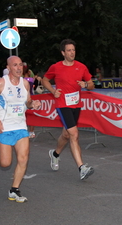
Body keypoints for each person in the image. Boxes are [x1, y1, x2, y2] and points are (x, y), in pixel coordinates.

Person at [0, 56, 41, 203]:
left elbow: (27, 103)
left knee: (23, 159)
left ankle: (14, 190)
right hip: (5, 127)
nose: (19, 68)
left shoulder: (25, 84)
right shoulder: (2, 83)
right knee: (5, 163)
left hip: (20, 126)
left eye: (20, 65)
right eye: (15, 65)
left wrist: (32, 104)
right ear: (8, 68)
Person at [41, 39, 95, 180]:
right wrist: (53, 92)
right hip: (62, 104)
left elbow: (91, 85)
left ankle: (55, 154)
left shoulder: (81, 67)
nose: (72, 52)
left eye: (73, 50)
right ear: (63, 53)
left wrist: (85, 84)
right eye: (69, 50)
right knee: (74, 134)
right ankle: (81, 168)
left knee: (66, 135)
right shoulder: (56, 67)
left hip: (76, 105)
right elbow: (44, 80)